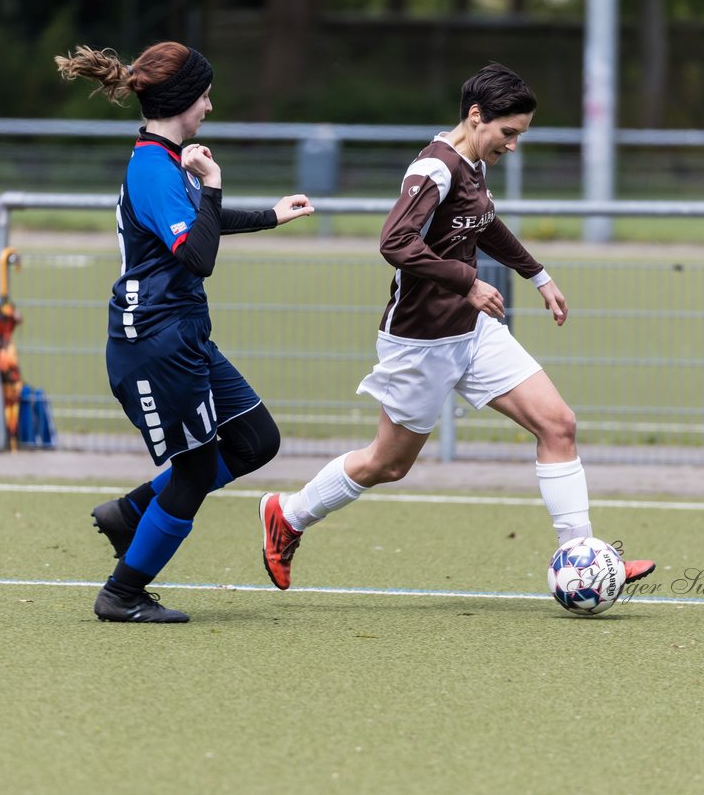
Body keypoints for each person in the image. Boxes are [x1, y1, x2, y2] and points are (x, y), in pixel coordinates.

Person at [257, 63, 656, 591]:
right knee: (388, 463)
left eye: (520, 135)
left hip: (474, 331)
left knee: (558, 424)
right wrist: (467, 283)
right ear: (475, 117)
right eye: (507, 133)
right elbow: (394, 243)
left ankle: (581, 556)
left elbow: (482, 223)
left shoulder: (473, 164)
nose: (513, 145)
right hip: (421, 340)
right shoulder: (434, 169)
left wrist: (537, 274)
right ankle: (288, 514)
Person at [54, 42, 314, 623]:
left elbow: (202, 223)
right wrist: (215, 179)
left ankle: (131, 513)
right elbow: (198, 256)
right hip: (155, 342)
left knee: (255, 440)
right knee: (195, 471)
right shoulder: (152, 167)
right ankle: (121, 594)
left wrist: (271, 215)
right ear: (182, 102)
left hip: (183, 334)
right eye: (204, 95)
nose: (211, 105)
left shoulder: (168, 160)